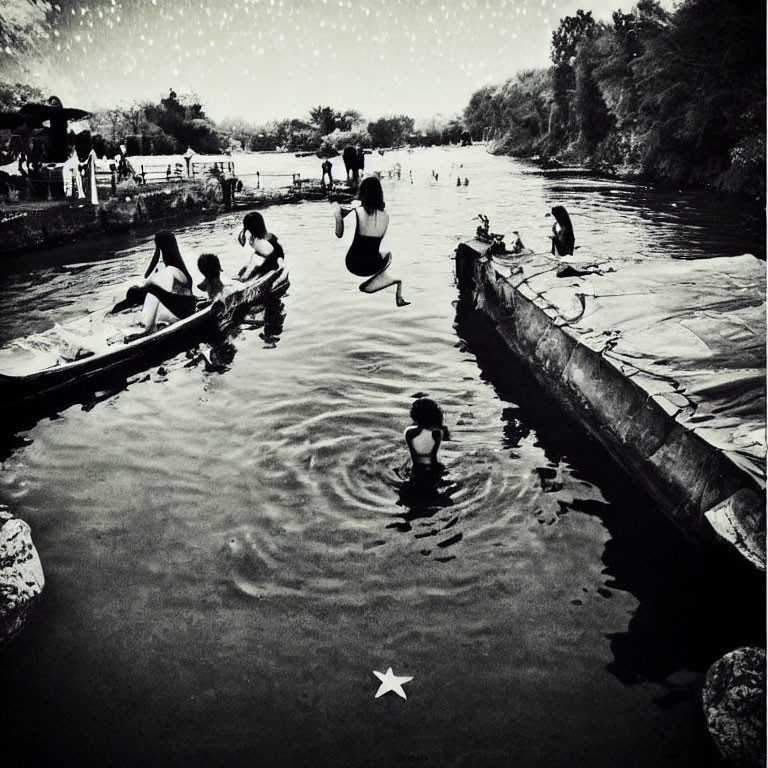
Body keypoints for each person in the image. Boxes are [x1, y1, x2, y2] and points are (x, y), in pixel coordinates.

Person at [332, 176, 409, 307]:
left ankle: (370, 285)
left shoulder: (357, 212)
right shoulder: (386, 217)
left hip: (353, 264)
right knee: (388, 254)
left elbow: (339, 234)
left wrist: (337, 215)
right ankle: (388, 283)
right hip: (375, 265)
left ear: (362, 193)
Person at [114, 231, 196, 338]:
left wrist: (157, 251)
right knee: (145, 290)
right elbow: (148, 277)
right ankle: (144, 323)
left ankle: (145, 330)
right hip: (183, 307)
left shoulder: (173, 270)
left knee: (152, 289)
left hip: (186, 310)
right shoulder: (176, 267)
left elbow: (149, 281)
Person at [237, 211, 284, 281]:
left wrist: (245, 275)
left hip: (270, 263)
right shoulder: (269, 236)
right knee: (246, 269)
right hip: (272, 258)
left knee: (246, 272)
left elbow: (256, 260)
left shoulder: (258, 241)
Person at [404, 398, 449, 469]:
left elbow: (413, 456)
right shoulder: (437, 433)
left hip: (416, 466)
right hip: (432, 466)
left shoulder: (409, 432)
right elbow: (433, 457)